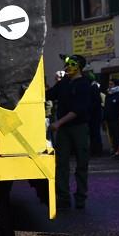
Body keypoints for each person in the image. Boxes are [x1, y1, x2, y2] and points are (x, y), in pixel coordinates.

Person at [46, 54, 92, 210]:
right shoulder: (64, 83)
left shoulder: (85, 84)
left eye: (71, 64)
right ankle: (63, 196)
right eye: (67, 64)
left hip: (78, 127)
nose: (67, 67)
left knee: (82, 163)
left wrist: (58, 123)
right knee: (61, 163)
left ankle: (81, 197)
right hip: (65, 129)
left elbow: (78, 110)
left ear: (79, 66)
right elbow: (49, 94)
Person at [103, 79, 119, 155]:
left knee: (116, 135)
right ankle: (114, 149)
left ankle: (117, 149)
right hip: (109, 117)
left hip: (116, 118)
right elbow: (106, 106)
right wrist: (105, 117)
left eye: (111, 84)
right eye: (109, 84)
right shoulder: (108, 94)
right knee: (111, 135)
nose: (109, 86)